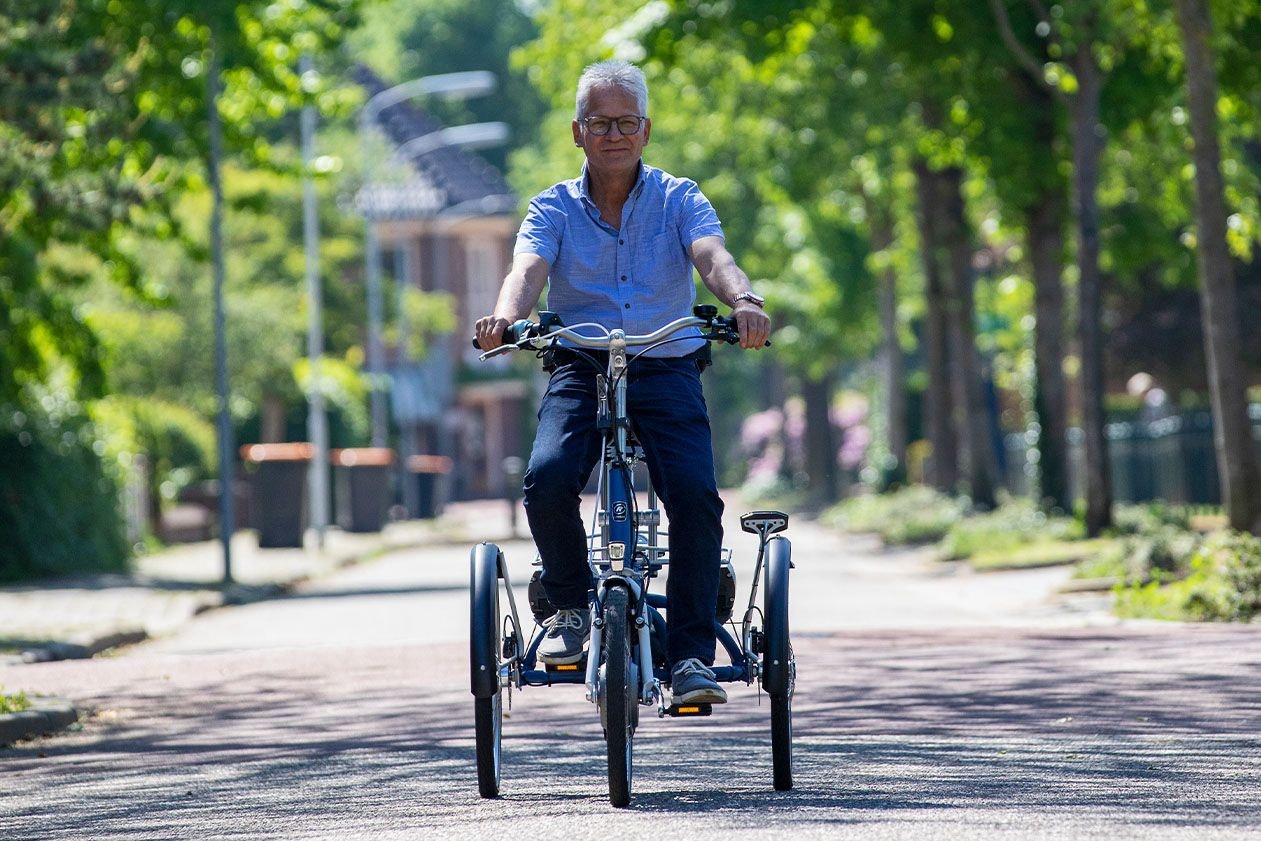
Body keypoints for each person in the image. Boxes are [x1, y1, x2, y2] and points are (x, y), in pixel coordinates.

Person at [474, 59, 770, 705]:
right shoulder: (551, 205)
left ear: (646, 129)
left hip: (664, 357)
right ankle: (572, 610)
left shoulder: (679, 197)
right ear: (576, 132)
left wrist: (742, 298)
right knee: (548, 477)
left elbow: (710, 255)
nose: (614, 133)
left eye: (626, 122)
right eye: (599, 123)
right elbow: (526, 268)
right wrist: (507, 317)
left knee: (693, 495)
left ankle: (691, 654)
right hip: (580, 360)